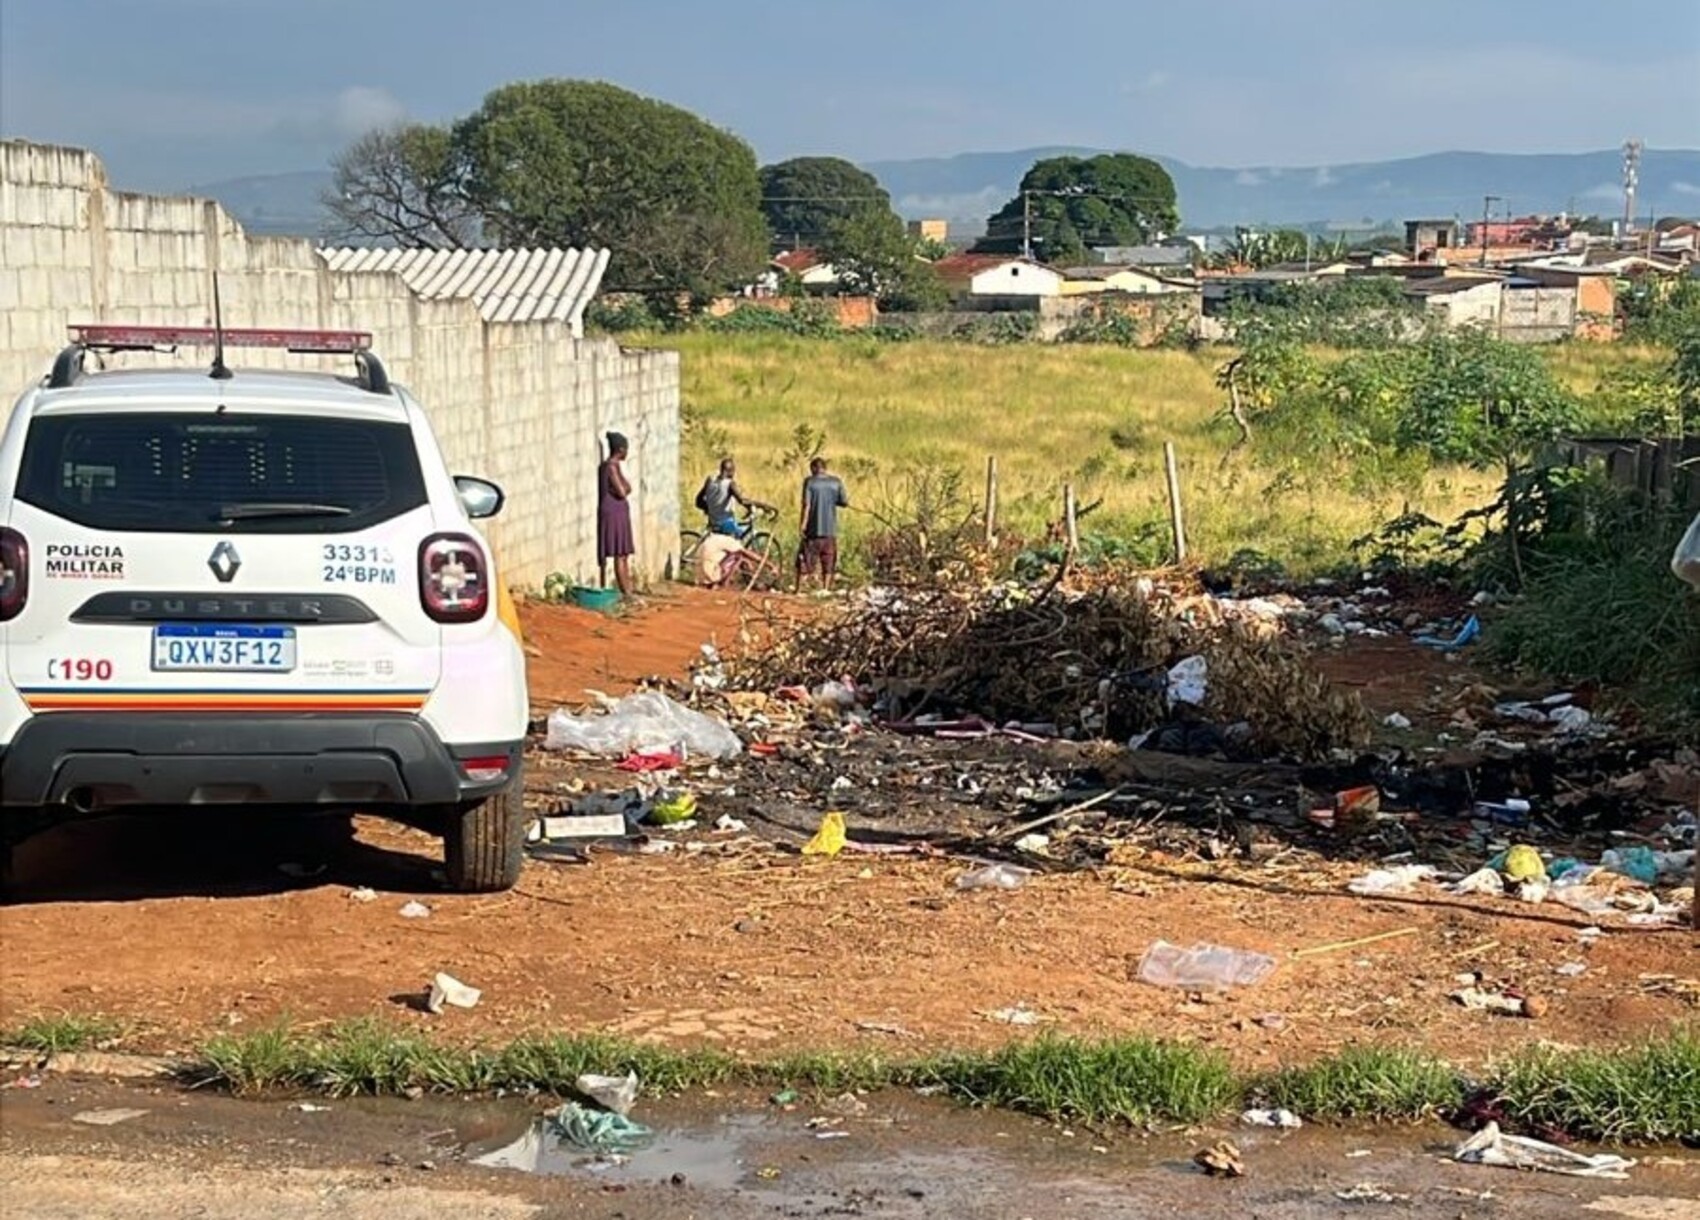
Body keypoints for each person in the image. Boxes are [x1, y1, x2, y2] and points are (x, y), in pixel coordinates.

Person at [796, 456, 849, 590]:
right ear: (825, 468)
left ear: (814, 468)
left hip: (813, 530)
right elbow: (844, 502)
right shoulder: (836, 482)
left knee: (805, 559)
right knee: (828, 560)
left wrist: (802, 525)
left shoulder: (809, 482)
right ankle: (825, 589)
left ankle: (800, 588)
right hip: (830, 530)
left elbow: (806, 505)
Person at [597, 431, 634, 596]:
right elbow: (622, 491)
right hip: (613, 514)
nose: (627, 452)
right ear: (620, 449)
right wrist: (625, 488)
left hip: (618, 513)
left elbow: (628, 487)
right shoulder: (610, 467)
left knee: (624, 554)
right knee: (619, 554)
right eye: (626, 449)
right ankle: (626, 592)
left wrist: (626, 488)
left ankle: (628, 590)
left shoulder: (615, 466)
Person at [695, 457, 772, 537]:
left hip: (713, 524)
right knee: (753, 535)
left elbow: (698, 501)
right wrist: (764, 506)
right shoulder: (729, 484)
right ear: (730, 471)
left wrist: (711, 509)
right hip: (727, 526)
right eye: (733, 472)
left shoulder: (710, 480)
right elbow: (742, 500)